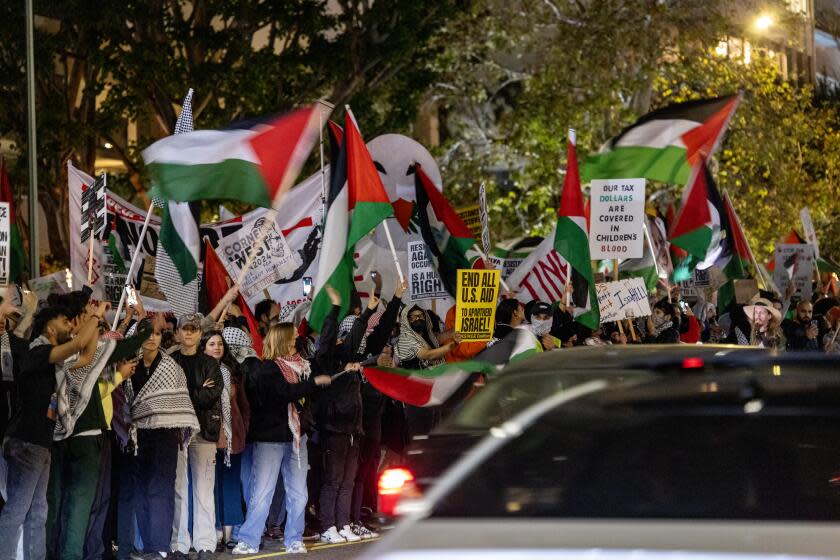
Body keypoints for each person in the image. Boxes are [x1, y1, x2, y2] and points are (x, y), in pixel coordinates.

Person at [0, 300, 107, 560]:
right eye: (64, 321)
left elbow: (86, 357)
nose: (69, 326)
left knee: (38, 512)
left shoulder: (52, 360)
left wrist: (94, 325)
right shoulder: (36, 351)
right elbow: (77, 345)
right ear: (49, 326)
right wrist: (94, 317)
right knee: (17, 510)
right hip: (26, 442)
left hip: (40, 445)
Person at [234, 324, 331, 555]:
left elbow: (305, 397)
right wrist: (313, 383)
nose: (296, 341)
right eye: (292, 337)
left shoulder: (301, 366)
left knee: (299, 492)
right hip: (270, 439)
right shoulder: (267, 369)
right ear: (282, 339)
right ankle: (248, 540)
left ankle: (294, 538)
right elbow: (283, 393)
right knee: (262, 492)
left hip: (297, 437)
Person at [120, 318, 199, 560]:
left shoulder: (170, 366)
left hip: (165, 433)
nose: (152, 338)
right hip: (137, 434)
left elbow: (178, 400)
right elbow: (125, 398)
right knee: (142, 489)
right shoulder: (128, 365)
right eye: (146, 333)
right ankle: (148, 546)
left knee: (161, 489)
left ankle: (161, 546)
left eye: (156, 333)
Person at [315, 287, 372, 545]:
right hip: (334, 428)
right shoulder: (325, 359)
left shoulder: (352, 359)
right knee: (334, 480)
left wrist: (371, 310)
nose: (347, 340)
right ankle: (328, 526)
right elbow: (326, 339)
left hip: (353, 429)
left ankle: (343, 524)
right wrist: (336, 307)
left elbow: (359, 332)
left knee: (348, 481)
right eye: (343, 336)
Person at [169, 313, 224, 560]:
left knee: (204, 489)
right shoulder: (169, 360)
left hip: (203, 431)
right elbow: (170, 396)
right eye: (185, 329)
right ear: (178, 333)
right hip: (176, 432)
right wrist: (196, 392)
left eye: (194, 329)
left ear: (201, 333)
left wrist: (186, 395)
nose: (189, 332)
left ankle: (205, 545)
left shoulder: (211, 364)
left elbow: (211, 396)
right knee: (179, 488)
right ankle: (179, 545)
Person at [200, 330, 249, 551]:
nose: (217, 347)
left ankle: (229, 534)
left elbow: (244, 406)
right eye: (212, 344)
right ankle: (214, 531)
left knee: (229, 485)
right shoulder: (198, 371)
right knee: (210, 486)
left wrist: (242, 429)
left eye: (220, 344)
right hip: (207, 437)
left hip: (231, 438)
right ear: (204, 348)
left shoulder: (233, 372)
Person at [395, 304, 461, 437]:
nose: (417, 319)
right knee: (421, 438)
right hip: (417, 400)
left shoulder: (427, 337)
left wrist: (465, 326)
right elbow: (428, 354)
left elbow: (444, 335)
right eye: (412, 317)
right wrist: (453, 345)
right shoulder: (406, 338)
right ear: (405, 321)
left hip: (433, 395)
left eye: (420, 316)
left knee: (434, 437)